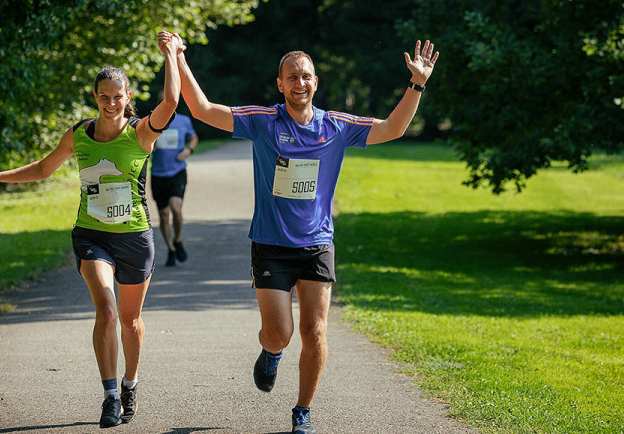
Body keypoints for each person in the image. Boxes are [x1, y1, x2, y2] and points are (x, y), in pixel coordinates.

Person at [171, 35, 438, 434]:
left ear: (316, 82)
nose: (300, 83)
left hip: (316, 243)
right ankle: (270, 352)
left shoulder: (336, 126)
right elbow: (203, 109)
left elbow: (393, 129)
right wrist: (177, 58)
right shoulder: (263, 121)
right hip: (271, 244)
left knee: (315, 332)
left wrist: (416, 83)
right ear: (280, 84)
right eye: (292, 77)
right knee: (280, 333)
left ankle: (302, 411)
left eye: (307, 76)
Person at [0, 31, 184, 428]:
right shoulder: (79, 135)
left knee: (131, 321)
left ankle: (131, 382)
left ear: (128, 96)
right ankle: (110, 396)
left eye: (118, 96)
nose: (111, 103)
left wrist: (171, 54)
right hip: (92, 235)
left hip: (135, 237)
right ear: (96, 97)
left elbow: (170, 102)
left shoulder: (140, 133)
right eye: (104, 96)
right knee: (106, 308)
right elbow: (43, 169)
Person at [149, 90, 199, 266]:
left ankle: (177, 239)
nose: (167, 105)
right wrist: (150, 145)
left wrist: (188, 150)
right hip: (157, 174)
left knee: (176, 209)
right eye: (163, 102)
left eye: (170, 102)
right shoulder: (153, 122)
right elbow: (145, 141)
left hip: (177, 172)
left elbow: (193, 138)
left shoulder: (184, 121)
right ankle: (171, 249)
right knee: (163, 215)